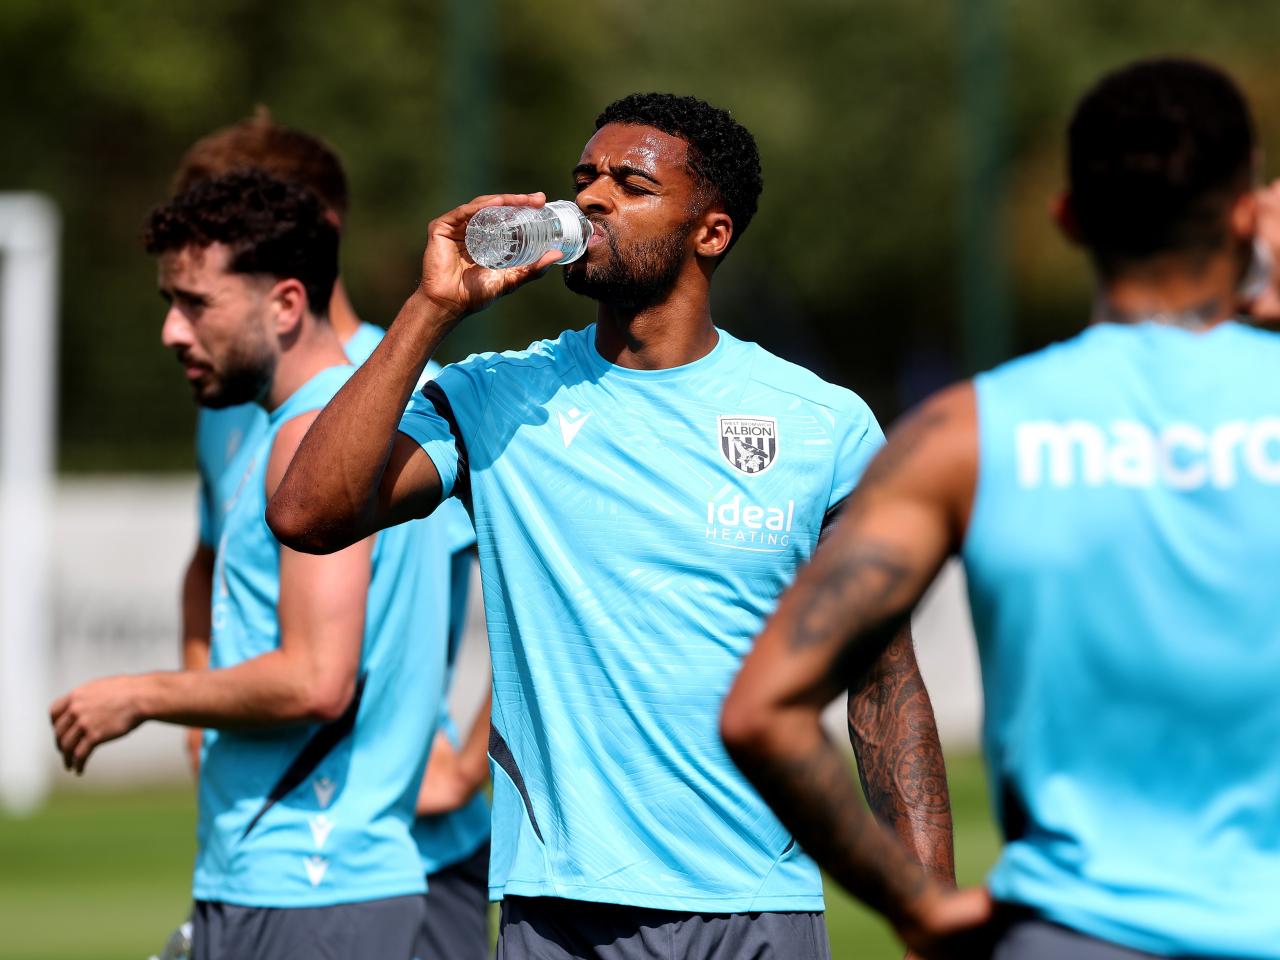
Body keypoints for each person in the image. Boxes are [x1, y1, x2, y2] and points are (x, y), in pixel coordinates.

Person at [267, 92, 953, 959]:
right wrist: (429, 310)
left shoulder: (823, 425)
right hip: (560, 909)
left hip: (755, 906)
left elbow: (886, 689)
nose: (592, 200)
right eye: (583, 179)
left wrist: (933, 913)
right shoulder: (497, 396)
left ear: (711, 232)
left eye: (631, 184)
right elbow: (307, 514)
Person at [721, 57, 1280, 960]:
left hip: (1068, 936)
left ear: (1066, 219)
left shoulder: (962, 436)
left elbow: (762, 712)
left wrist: (918, 906)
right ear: (1248, 216)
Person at [50, 170, 450, 959]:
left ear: (286, 304)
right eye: (170, 302)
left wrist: (139, 695)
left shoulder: (312, 439)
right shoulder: (315, 434)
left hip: (315, 886)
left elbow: (316, 678)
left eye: (196, 303)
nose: (172, 331)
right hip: (292, 885)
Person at [172, 112, 495, 959]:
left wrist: (465, 762)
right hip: (276, 844)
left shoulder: (415, 399)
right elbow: (206, 562)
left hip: (419, 851)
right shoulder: (231, 399)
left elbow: (538, 582)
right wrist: (199, 710)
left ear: (310, 234)